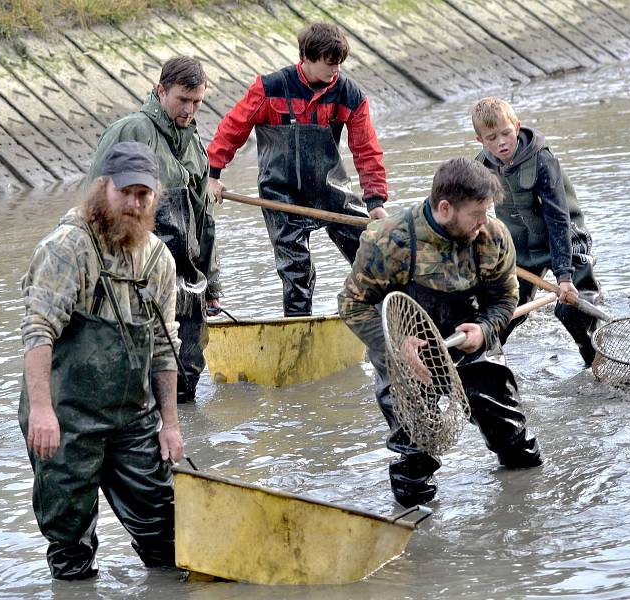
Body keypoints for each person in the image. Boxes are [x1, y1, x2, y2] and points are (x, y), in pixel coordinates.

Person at [19, 141, 184, 579]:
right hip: (65, 418)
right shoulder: (67, 248)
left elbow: (166, 348)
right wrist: (41, 411)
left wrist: (170, 423)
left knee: (168, 536)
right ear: (102, 187)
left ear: (154, 198)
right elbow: (37, 331)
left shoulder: (159, 259)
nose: (133, 203)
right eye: (125, 191)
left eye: (143, 194)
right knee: (70, 539)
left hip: (132, 418)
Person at [338, 158, 542, 507]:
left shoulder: (492, 237)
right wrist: (396, 345)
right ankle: (416, 535)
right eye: (477, 213)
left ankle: (523, 511)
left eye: (487, 211)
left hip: (468, 346)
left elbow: (505, 299)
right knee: (414, 461)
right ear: (445, 208)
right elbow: (352, 305)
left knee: (517, 445)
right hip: (405, 358)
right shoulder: (389, 240)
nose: (484, 221)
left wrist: (485, 329)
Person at [206, 21, 388, 317]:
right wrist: (213, 175)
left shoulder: (349, 94)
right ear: (307, 57)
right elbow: (232, 129)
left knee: (369, 253)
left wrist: (376, 201)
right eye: (330, 63)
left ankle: (385, 317)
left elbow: (366, 150)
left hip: (330, 190)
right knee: (297, 272)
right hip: (280, 193)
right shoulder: (269, 88)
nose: (336, 70)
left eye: (340, 63)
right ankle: (299, 328)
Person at [86, 56, 221, 403]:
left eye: (197, 102)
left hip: (187, 287)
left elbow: (204, 221)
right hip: (137, 281)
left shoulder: (195, 147)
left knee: (185, 386)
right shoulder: (130, 131)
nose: (189, 110)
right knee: (137, 390)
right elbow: (94, 208)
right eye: (182, 100)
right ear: (161, 91)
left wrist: (212, 284)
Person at [471, 96, 601, 365]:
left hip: (565, 239)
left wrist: (564, 275)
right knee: (500, 315)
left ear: (517, 127)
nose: (501, 143)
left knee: (571, 311)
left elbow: (558, 219)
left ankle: (597, 360)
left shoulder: (542, 160)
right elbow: (469, 213)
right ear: (480, 141)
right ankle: (484, 366)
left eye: (506, 133)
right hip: (520, 249)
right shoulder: (481, 168)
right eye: (492, 138)